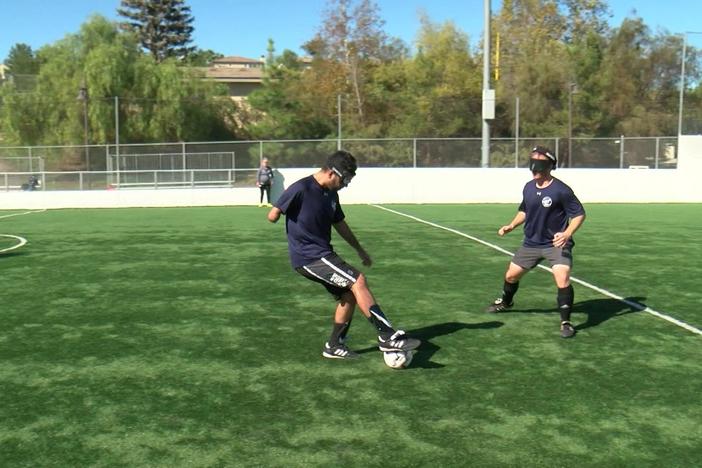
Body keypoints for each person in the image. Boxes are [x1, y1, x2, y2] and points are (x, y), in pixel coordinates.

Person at [267, 150, 421, 359]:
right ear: (331, 173)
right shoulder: (301, 188)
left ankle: (334, 345)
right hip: (308, 257)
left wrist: (359, 249)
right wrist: (279, 214)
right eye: (344, 179)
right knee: (358, 281)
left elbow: (340, 224)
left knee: (348, 296)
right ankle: (387, 336)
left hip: (322, 254)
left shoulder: (332, 194)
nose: (346, 184)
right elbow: (272, 214)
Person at [486, 146, 586, 338]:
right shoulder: (528, 187)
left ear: (548, 166)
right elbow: (524, 210)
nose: (534, 171)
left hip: (555, 244)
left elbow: (579, 214)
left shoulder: (561, 190)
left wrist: (566, 233)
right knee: (511, 276)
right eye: (532, 166)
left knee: (562, 277)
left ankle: (566, 321)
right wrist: (511, 225)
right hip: (531, 243)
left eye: (538, 166)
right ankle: (506, 302)